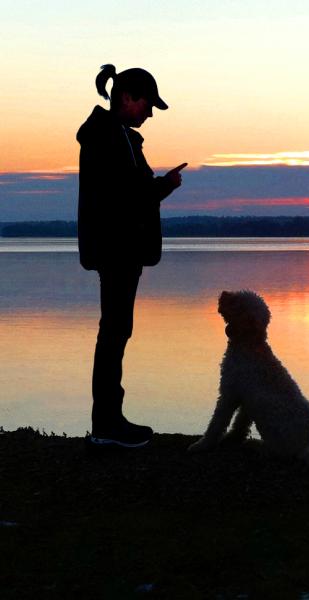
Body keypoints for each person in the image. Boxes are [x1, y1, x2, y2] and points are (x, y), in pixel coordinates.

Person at [77, 64, 186, 448]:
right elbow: (123, 199)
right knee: (114, 333)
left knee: (116, 332)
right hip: (116, 251)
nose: (150, 113)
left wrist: (159, 187)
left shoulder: (117, 137)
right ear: (126, 97)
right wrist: (164, 187)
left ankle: (110, 419)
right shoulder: (107, 139)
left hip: (120, 251)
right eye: (147, 104)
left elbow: (127, 194)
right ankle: (106, 425)